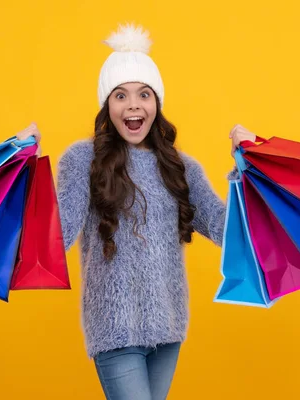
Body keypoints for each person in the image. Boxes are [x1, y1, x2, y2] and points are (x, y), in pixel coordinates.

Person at [16, 23, 256, 400]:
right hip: (116, 330)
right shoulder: (84, 160)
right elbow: (57, 235)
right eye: (120, 95)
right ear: (107, 106)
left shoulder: (181, 167)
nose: (133, 105)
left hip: (169, 327)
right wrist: (23, 168)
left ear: (156, 103)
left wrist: (246, 169)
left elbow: (229, 230)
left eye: (144, 94)